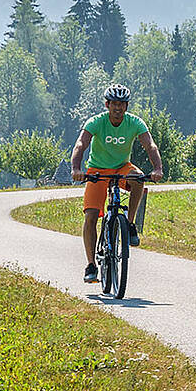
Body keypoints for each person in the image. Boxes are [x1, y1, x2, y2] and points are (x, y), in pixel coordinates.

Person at [70, 84, 164, 284]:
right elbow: (81, 143)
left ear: (126, 106)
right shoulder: (96, 122)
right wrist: (77, 168)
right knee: (91, 216)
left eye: (121, 104)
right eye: (114, 104)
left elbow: (150, 145)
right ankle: (91, 265)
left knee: (138, 178)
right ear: (107, 104)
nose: (118, 108)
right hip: (97, 170)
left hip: (122, 167)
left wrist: (157, 168)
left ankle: (129, 224)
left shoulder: (135, 122)